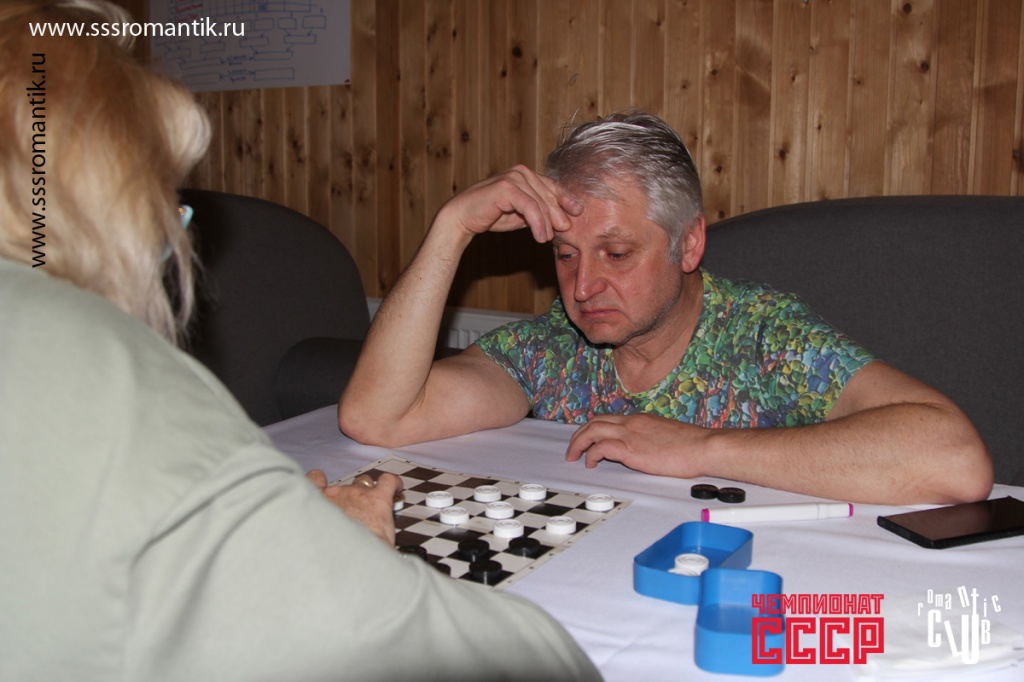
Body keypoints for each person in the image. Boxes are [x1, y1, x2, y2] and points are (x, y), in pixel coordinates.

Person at [0, 2, 600, 681]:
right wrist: (346, 558)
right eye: (167, 209)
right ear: (113, 217)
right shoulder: (105, 374)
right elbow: (533, 665)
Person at [338, 111, 993, 506]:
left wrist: (704, 448)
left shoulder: (763, 336)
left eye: (617, 253)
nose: (583, 287)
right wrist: (451, 228)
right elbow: (376, 416)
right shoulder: (555, 348)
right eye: (565, 255)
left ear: (689, 243)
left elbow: (955, 462)